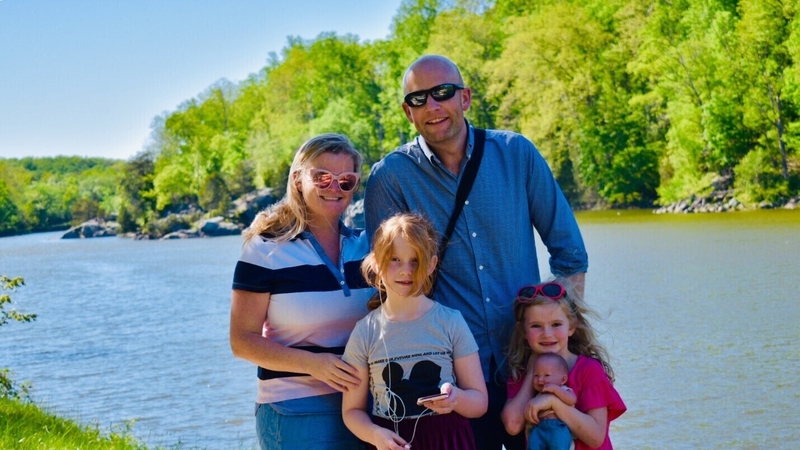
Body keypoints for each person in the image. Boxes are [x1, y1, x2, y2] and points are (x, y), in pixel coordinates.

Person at [364, 54, 589, 450]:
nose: (432, 106)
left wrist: (560, 346)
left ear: (465, 98)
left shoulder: (516, 154)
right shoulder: (390, 178)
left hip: (529, 370)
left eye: (443, 93)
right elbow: (390, 284)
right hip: (451, 382)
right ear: (407, 111)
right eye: (419, 98)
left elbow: (570, 255)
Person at [229, 133, 374, 450]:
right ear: (298, 179)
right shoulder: (265, 249)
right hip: (294, 412)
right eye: (322, 178)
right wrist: (314, 365)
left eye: (346, 181)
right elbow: (242, 341)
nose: (334, 188)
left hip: (367, 411)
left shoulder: (368, 248)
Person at [341, 213, 488, 450]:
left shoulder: (451, 322)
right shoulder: (365, 332)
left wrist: (456, 399)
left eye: (415, 261)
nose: (405, 270)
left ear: (431, 265)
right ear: (376, 263)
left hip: (448, 440)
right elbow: (352, 411)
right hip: (390, 442)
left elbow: (480, 402)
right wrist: (376, 435)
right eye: (395, 260)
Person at [501, 281, 626, 450]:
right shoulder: (523, 373)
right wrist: (532, 370)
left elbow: (595, 437)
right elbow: (513, 424)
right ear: (523, 330)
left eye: (556, 324)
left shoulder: (589, 370)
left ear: (571, 327)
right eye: (536, 326)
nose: (547, 334)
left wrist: (554, 402)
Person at [525, 353, 576, 450]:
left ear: (563, 379)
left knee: (559, 445)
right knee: (533, 445)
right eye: (536, 375)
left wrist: (555, 390)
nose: (540, 379)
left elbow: (571, 400)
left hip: (558, 427)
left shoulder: (564, 390)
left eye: (547, 375)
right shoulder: (537, 395)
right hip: (539, 427)